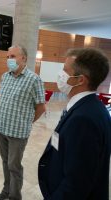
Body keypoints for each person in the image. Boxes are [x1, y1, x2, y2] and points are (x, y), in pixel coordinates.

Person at [38, 48, 111, 200]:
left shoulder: (84, 119)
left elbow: (77, 182)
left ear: (80, 80)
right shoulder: (87, 107)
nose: (60, 75)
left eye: (65, 70)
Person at [0, 45, 46, 200]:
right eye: (8, 57)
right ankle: (6, 191)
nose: (9, 60)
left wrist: (28, 122)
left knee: (13, 166)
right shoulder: (5, 76)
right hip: (1, 128)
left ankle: (15, 197)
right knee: (5, 162)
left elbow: (41, 107)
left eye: (13, 56)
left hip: (18, 132)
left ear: (24, 58)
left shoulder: (34, 79)